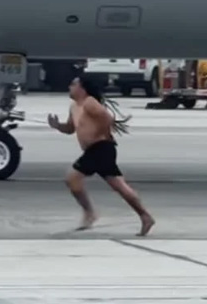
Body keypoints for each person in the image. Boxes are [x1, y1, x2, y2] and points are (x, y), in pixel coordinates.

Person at [47, 76, 156, 236]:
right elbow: (70, 128)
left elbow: (107, 118)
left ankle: (90, 213)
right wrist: (57, 126)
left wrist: (99, 134)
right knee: (119, 186)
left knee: (72, 178)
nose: (69, 86)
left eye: (73, 84)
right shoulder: (74, 107)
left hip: (101, 148)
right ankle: (145, 216)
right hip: (98, 150)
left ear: (82, 89)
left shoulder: (90, 102)